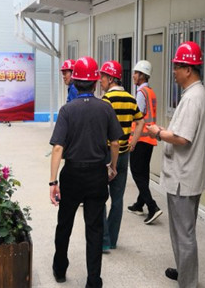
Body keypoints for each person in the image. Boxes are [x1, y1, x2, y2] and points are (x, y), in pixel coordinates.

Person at [49, 56, 123, 286]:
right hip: (96, 175)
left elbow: (58, 147)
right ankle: (93, 280)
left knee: (65, 224)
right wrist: (113, 166)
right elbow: (115, 143)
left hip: (71, 174)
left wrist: (53, 182)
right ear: (95, 82)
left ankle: (60, 269)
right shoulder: (105, 108)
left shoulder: (67, 110)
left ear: (75, 80)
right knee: (94, 228)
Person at [146, 41, 205, 288]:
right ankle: (184, 271)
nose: (173, 72)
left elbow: (183, 138)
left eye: (177, 67)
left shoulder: (193, 98)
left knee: (184, 233)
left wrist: (158, 133)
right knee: (183, 230)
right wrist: (166, 131)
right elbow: (183, 132)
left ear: (189, 69)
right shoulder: (195, 94)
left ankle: (188, 282)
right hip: (188, 174)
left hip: (184, 176)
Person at [99, 60, 145, 252]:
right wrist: (134, 141)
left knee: (100, 197)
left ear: (111, 78)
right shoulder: (131, 99)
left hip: (107, 155)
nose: (100, 80)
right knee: (117, 199)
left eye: (102, 77)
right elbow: (141, 121)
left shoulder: (106, 100)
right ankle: (112, 240)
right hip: (124, 154)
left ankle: (103, 241)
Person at [127, 60, 163, 224]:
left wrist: (132, 141)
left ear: (142, 75)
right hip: (150, 139)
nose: (133, 75)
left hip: (140, 139)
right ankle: (139, 204)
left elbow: (138, 116)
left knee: (136, 172)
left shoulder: (141, 93)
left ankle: (152, 206)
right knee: (144, 173)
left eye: (136, 73)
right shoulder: (151, 92)